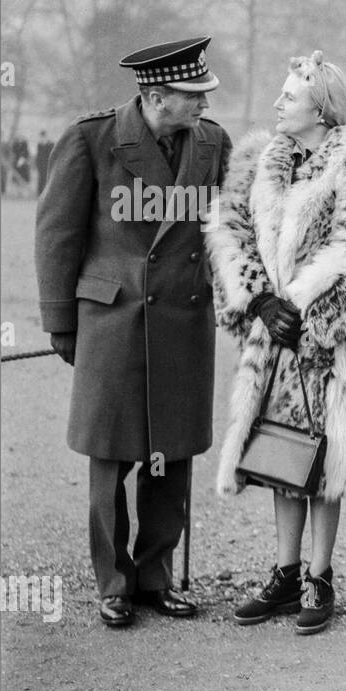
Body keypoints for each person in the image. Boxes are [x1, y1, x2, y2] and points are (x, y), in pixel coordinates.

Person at [34, 36, 232, 627]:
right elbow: (56, 234)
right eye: (191, 95)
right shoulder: (90, 139)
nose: (203, 103)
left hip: (182, 317)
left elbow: (231, 225)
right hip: (112, 320)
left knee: (172, 456)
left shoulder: (213, 142)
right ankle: (113, 582)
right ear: (154, 96)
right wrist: (59, 321)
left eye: (204, 94)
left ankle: (156, 577)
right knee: (110, 455)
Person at [208, 51, 346, 636]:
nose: (277, 105)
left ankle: (320, 576)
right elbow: (229, 231)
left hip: (329, 339)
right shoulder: (257, 161)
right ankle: (285, 572)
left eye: (288, 97)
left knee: (326, 454)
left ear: (320, 109)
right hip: (274, 337)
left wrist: (311, 315)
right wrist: (259, 302)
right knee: (277, 451)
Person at [35, 130, 54, 195]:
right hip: (41, 165)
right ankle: (40, 193)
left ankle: (48, 193)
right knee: (41, 179)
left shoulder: (51, 144)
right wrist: (37, 164)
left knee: (48, 179)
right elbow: (38, 156)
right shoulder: (39, 145)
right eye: (41, 137)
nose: (42, 138)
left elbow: (52, 155)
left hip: (48, 164)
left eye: (43, 137)